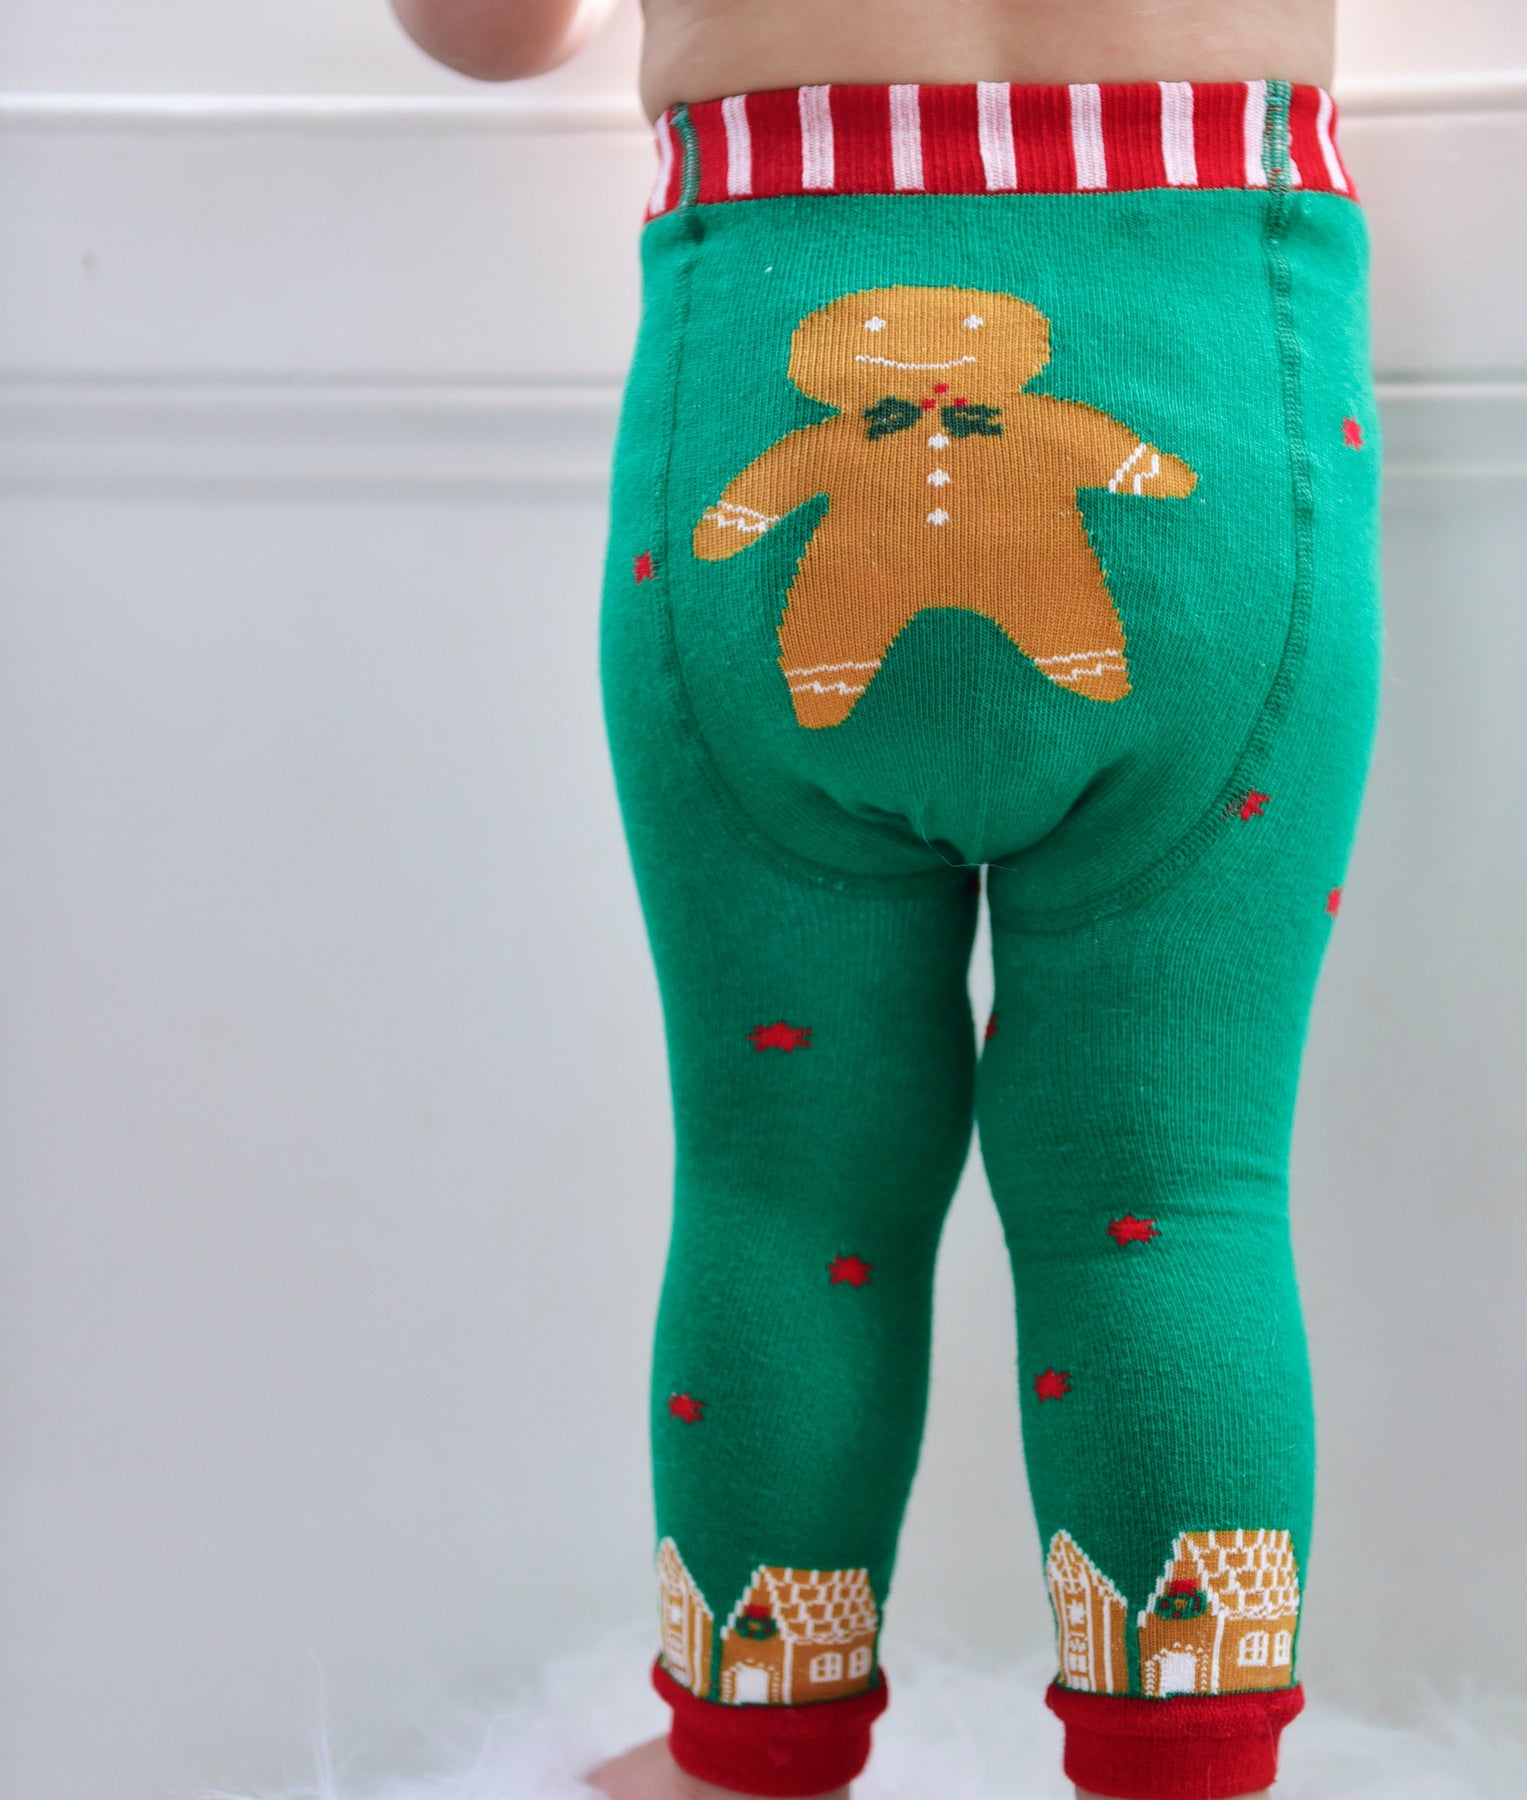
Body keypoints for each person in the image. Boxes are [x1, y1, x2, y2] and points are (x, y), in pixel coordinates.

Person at [392, 4, 1378, 1797]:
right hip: (1220, 410)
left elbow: (488, 31)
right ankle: (1186, 1765)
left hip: (764, 364)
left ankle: (740, 1756)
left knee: (782, 1189)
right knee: (1173, 1192)